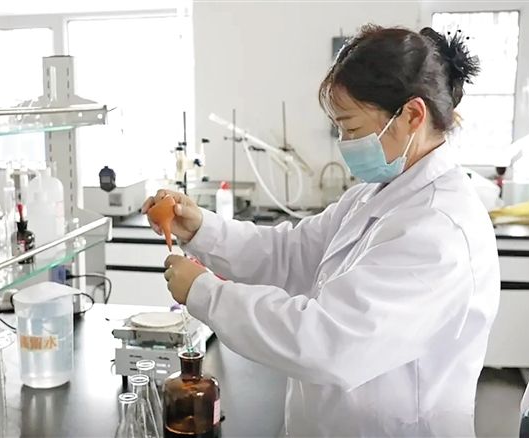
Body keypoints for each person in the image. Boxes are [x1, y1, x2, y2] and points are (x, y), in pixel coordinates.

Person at [142, 25, 500, 437]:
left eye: (351, 128)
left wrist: (204, 292)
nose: (344, 143)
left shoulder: (439, 229)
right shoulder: (376, 194)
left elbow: (328, 342)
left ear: (412, 116)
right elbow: (291, 253)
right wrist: (202, 229)